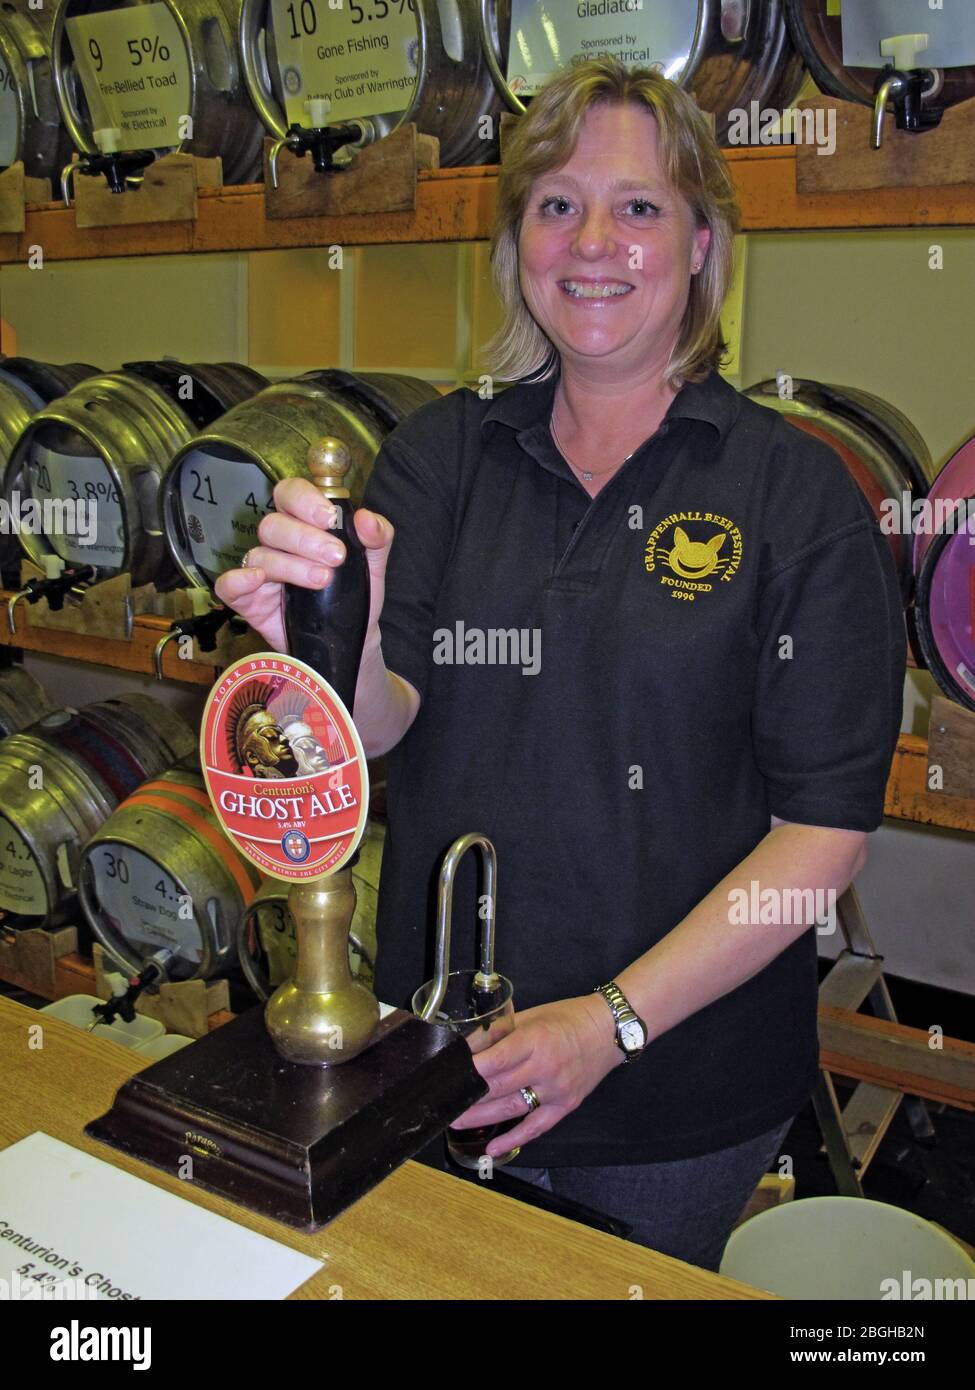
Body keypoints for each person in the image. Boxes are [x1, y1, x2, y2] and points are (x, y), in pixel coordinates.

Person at [216, 56, 906, 1272]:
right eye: (556, 204)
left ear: (701, 242)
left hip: (676, 1099)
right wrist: (328, 652)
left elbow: (824, 841)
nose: (593, 240)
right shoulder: (437, 457)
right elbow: (382, 723)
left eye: (639, 206)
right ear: (518, 237)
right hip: (437, 1058)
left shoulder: (794, 495)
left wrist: (611, 1024)